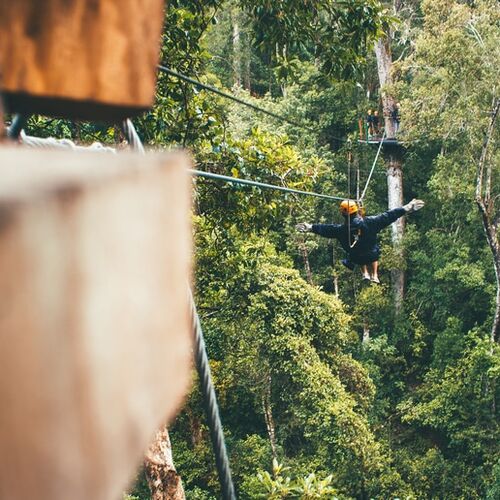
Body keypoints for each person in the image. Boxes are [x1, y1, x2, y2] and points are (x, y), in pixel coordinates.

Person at [296, 198, 425, 283]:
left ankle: (365, 274)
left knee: (358, 252)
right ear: (356, 210)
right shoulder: (370, 223)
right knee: (371, 251)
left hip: (356, 258)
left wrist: (310, 227)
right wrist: (406, 208)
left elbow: (326, 229)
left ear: (343, 214)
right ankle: (374, 275)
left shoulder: (340, 230)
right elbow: (388, 216)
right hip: (371, 255)